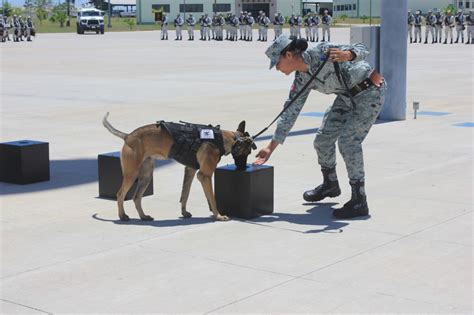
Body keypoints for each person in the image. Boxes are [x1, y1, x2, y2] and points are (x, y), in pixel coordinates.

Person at [254, 35, 386, 219]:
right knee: (322, 140)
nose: (277, 68)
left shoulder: (323, 51)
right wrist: (271, 147)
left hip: (369, 92)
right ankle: (330, 184)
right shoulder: (302, 78)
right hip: (346, 98)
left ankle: (359, 201)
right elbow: (291, 110)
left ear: (289, 55)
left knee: (348, 142)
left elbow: (362, 48)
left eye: (277, 62)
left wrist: (347, 54)